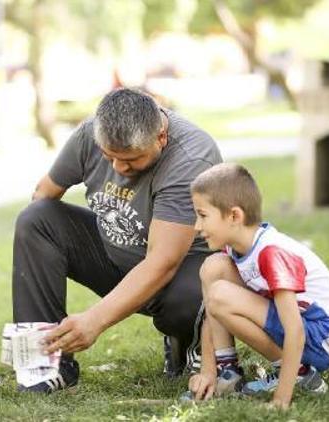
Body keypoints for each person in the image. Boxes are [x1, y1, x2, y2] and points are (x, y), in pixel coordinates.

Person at [12, 88, 222, 392]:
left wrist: (94, 321)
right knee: (36, 219)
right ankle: (44, 363)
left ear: (161, 138)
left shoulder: (190, 158)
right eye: (109, 157)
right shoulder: (89, 133)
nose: (119, 169)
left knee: (189, 299)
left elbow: (162, 262)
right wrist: (39, 252)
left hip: (176, 273)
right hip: (115, 255)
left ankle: (187, 340)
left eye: (132, 160)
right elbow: (43, 194)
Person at [186, 163, 329, 409]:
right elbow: (212, 311)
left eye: (203, 215)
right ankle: (226, 372)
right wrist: (207, 372)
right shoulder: (236, 246)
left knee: (219, 294)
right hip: (298, 327)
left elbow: (295, 330)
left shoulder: (271, 253)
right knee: (213, 268)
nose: (197, 226)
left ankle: (299, 375)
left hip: (319, 337)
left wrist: (281, 400)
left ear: (234, 216)